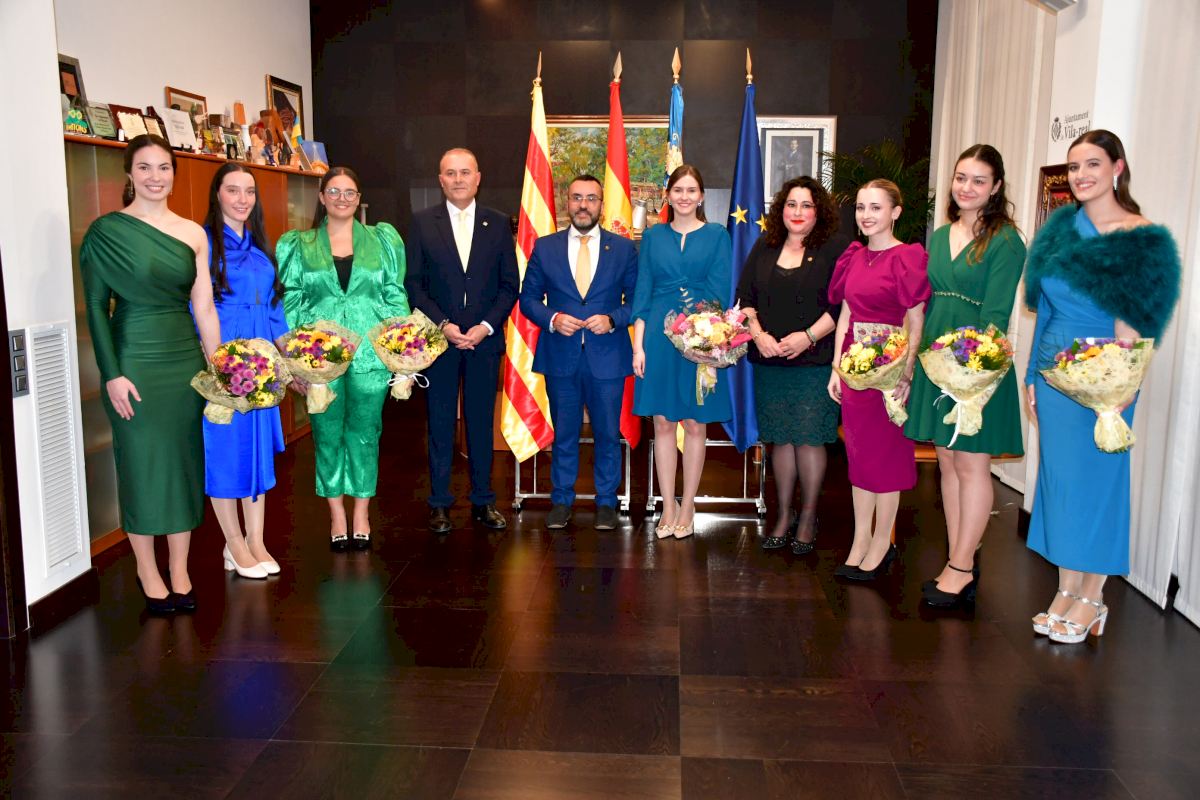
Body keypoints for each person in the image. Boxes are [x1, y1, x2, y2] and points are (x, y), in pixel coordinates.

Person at [1024, 130, 1180, 643]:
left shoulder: (1141, 236)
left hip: (1105, 376)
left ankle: (1093, 597)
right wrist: (1031, 375)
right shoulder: (1060, 228)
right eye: (1073, 167)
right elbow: (1045, 308)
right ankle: (1066, 589)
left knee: (1097, 484)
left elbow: (1135, 320)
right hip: (1054, 375)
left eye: (1092, 164)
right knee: (1060, 484)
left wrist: (1119, 384)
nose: (1081, 175)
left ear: (1117, 167)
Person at [80, 134, 221, 613]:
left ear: (174, 175)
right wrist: (112, 373)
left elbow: (204, 308)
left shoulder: (193, 233)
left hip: (183, 362)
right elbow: (96, 307)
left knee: (182, 463)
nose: (155, 177)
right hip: (133, 360)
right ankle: (146, 568)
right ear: (129, 173)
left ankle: (179, 569)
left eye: (163, 168)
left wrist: (220, 369)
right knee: (140, 463)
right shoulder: (104, 232)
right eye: (144, 167)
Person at [904, 145, 1026, 607]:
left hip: (977, 361)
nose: (967, 187)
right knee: (947, 462)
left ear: (996, 187)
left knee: (972, 464)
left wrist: (975, 371)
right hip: (936, 357)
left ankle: (960, 567)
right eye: (961, 178)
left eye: (978, 180)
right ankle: (959, 560)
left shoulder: (1006, 240)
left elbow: (996, 315)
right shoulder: (939, 237)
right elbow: (925, 303)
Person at [277, 166, 409, 551]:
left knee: (366, 432)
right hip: (320, 355)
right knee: (327, 433)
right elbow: (291, 299)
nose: (341, 199)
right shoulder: (299, 244)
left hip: (370, 354)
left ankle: (361, 510)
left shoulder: (382, 240)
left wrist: (403, 352)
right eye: (333, 192)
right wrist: (297, 355)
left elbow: (394, 295)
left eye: (349, 192)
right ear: (321, 197)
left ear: (359, 198)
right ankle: (336, 512)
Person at [405, 148, 519, 534]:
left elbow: (509, 285)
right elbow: (414, 284)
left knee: (480, 423)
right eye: (450, 173)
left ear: (478, 178)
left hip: (483, 341)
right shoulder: (422, 222)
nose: (458, 179)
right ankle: (439, 503)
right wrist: (443, 324)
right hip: (440, 341)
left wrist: (486, 326)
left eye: (465, 172)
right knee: (439, 423)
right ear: (441, 180)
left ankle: (483, 500)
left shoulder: (498, 223)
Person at [519, 175, 638, 531]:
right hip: (561, 356)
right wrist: (553, 319)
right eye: (576, 198)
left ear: (601, 204)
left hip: (608, 357)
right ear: (566, 202)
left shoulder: (623, 249)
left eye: (591, 198)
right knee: (565, 434)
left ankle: (606, 502)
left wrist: (613, 319)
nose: (583, 205)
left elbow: (637, 301)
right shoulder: (545, 247)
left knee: (607, 434)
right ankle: (561, 500)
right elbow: (528, 299)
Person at [827, 179, 929, 580]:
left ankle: (882, 542)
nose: (866, 215)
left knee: (886, 459)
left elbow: (915, 320)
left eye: (876, 207)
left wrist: (906, 371)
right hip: (855, 369)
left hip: (890, 371)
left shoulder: (907, 257)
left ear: (895, 212)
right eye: (860, 208)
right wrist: (836, 368)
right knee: (859, 457)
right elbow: (846, 317)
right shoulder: (853, 256)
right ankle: (860, 539)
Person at [736, 176, 845, 554]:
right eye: (791, 204)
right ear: (781, 209)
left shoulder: (834, 249)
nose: (797, 212)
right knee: (780, 438)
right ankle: (783, 515)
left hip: (814, 362)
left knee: (809, 439)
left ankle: (809, 517)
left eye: (806, 205)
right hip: (770, 361)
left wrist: (808, 337)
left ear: (819, 212)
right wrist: (758, 335)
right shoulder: (765, 245)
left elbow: (841, 306)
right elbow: (744, 298)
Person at [631, 164, 733, 539]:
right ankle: (667, 504)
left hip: (699, 337)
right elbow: (643, 293)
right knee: (661, 423)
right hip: (658, 339)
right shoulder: (653, 236)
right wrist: (638, 346)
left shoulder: (718, 235)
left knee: (694, 423)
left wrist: (709, 342)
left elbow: (720, 294)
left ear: (701, 196)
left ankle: (688, 504)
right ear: (668, 196)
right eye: (678, 190)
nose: (685, 197)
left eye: (691, 190)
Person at [201, 163, 289, 579]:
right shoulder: (203, 243)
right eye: (233, 190)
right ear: (217, 194)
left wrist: (290, 359)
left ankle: (256, 540)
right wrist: (219, 363)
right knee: (225, 450)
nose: (242, 199)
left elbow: (274, 308)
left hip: (262, 360)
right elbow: (198, 306)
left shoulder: (260, 245)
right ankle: (233, 543)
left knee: (256, 450)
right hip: (227, 358)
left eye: (249, 191)